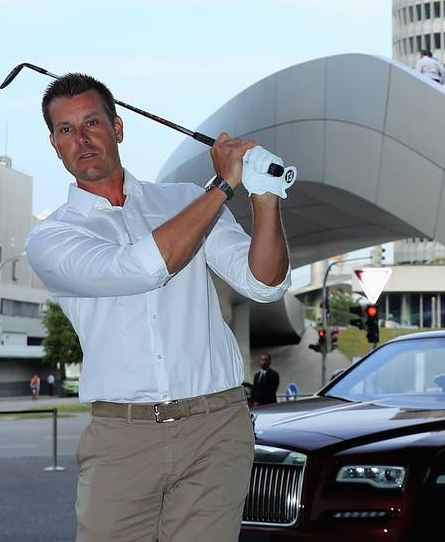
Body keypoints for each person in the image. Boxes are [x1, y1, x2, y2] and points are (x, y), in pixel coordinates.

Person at [26, 73, 292, 542]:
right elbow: (142, 267)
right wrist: (223, 185)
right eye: (66, 130)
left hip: (216, 427)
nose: (81, 139)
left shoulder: (185, 200)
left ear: (118, 128)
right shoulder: (52, 237)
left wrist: (265, 196)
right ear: (54, 144)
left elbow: (264, 283)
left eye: (92, 122)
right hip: (123, 436)